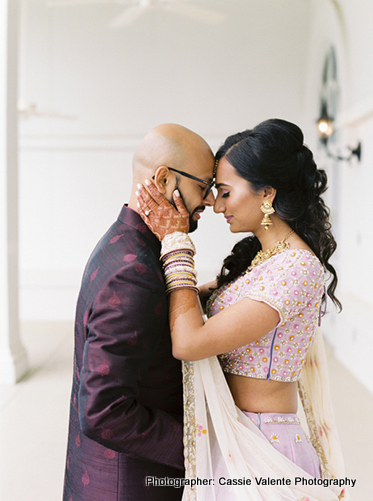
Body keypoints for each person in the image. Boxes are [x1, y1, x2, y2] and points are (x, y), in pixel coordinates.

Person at [136, 119, 348, 500]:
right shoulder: (263, 260)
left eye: (225, 193)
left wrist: (175, 240)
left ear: (266, 194)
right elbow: (188, 304)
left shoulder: (296, 268)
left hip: (264, 446)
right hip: (234, 435)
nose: (215, 206)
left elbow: (189, 341)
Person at [63, 123, 216, 501]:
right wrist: (204, 451)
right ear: (164, 180)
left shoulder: (122, 242)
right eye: (204, 186)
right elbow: (104, 411)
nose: (210, 201)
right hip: (129, 484)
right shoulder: (133, 271)